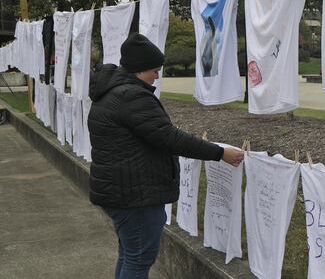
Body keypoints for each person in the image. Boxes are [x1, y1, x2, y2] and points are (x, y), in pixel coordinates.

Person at [87, 33, 244, 279]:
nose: (157, 76)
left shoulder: (111, 92)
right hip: (135, 196)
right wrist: (220, 152)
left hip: (119, 190)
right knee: (139, 259)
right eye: (154, 70)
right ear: (139, 70)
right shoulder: (131, 96)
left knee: (130, 254)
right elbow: (169, 138)